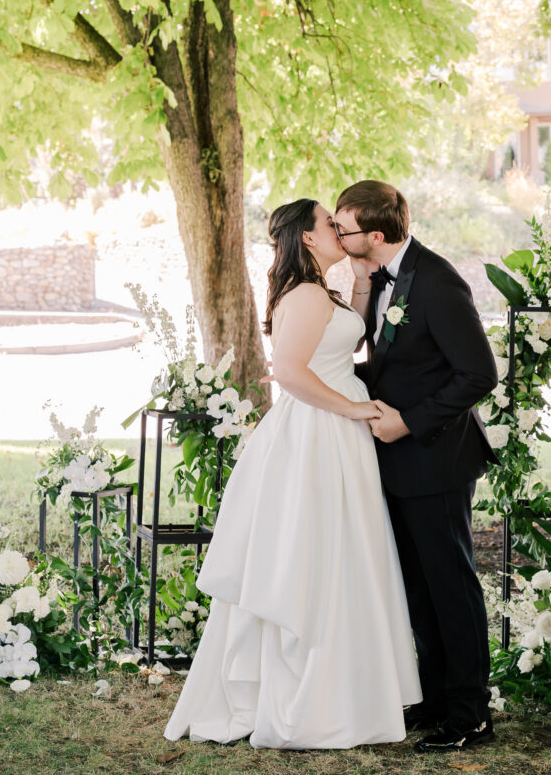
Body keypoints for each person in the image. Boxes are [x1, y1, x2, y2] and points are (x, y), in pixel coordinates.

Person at [163, 198, 421, 750]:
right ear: (307, 238)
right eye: (329, 222)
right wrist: (355, 409)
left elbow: (341, 342)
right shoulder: (303, 294)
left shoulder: (319, 290)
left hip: (335, 434)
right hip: (317, 434)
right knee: (317, 554)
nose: (338, 228)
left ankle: (343, 690)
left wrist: (356, 282)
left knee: (342, 552)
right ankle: (310, 696)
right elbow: (290, 374)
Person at [333, 180, 498, 754]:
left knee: (450, 585)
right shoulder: (375, 277)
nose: (335, 234)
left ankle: (471, 711)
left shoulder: (437, 281)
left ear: (375, 235)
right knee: (418, 587)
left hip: (437, 458)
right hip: (394, 460)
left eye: (343, 227)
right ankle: (435, 697)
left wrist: (410, 421)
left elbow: (479, 374)